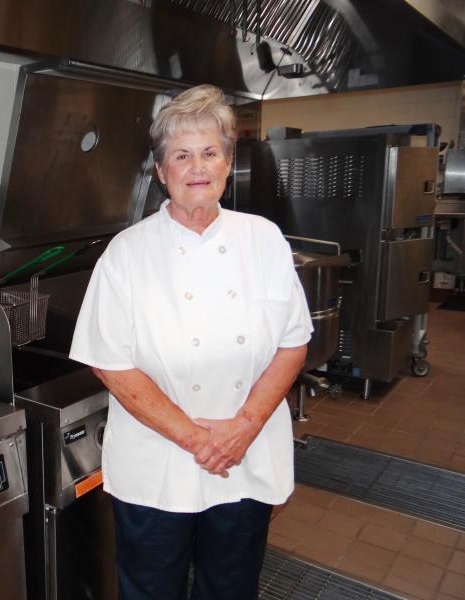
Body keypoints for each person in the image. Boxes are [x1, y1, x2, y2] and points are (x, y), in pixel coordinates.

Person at [69, 84, 312, 600]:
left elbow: (293, 343)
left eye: (209, 152)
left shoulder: (264, 239)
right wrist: (200, 440)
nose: (197, 167)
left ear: (227, 163)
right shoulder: (126, 254)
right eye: (181, 155)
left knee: (231, 588)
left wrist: (242, 429)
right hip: (159, 465)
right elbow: (111, 364)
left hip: (245, 460)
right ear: (161, 172)